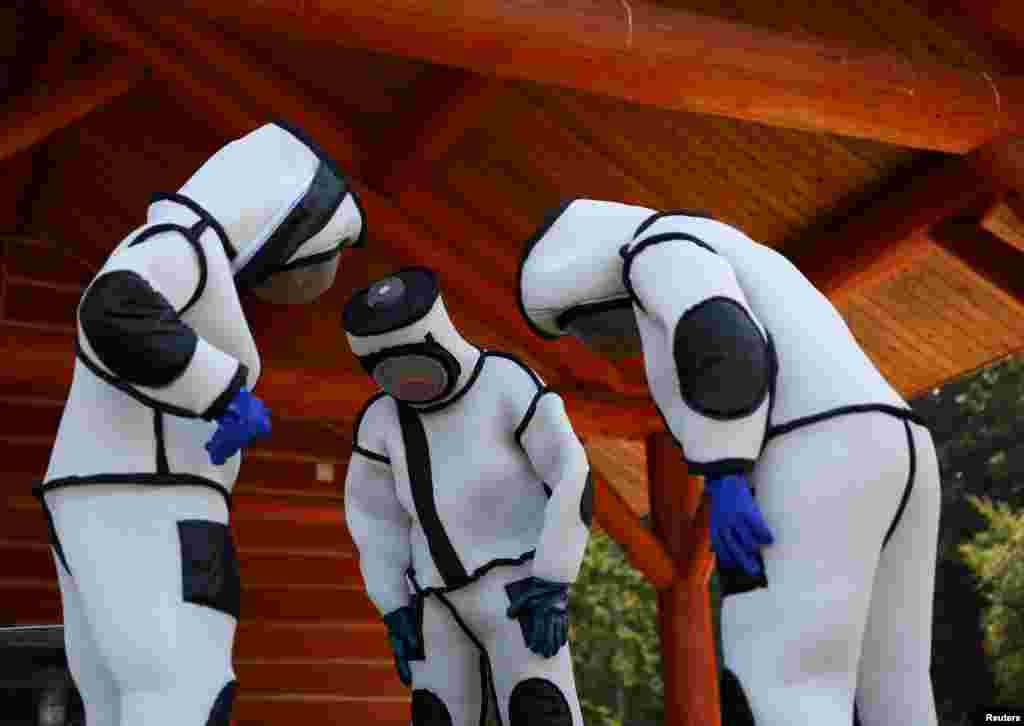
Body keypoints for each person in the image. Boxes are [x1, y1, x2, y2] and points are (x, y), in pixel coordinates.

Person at [517, 199, 940, 726]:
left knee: (783, 677)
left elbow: (719, 335)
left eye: (587, 326)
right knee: (893, 683)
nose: (609, 342)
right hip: (900, 443)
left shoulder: (658, 249)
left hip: (808, 448)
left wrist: (725, 473)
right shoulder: (745, 251)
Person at [38, 121, 366, 726]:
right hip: (148, 499)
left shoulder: (175, 244)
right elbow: (113, 311)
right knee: (184, 688)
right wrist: (223, 391)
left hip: (106, 495)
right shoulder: (183, 242)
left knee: (112, 697)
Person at [342, 266, 591, 726]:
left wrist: (553, 580)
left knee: (540, 710)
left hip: (518, 592)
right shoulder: (380, 423)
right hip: (433, 605)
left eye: (414, 364)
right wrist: (394, 606)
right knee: (437, 716)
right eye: (392, 372)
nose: (409, 383)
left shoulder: (505, 382)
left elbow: (571, 473)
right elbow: (375, 519)